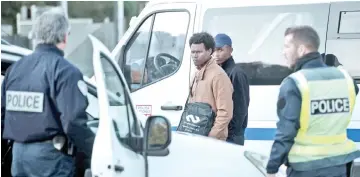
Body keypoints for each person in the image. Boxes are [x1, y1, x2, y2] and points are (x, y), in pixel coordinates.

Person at [1, 8, 95, 177]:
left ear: (36, 35)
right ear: (65, 37)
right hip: (50, 160)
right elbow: (73, 122)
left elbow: (2, 116)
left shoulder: (14, 70)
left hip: (18, 157)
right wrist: (95, 148)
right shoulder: (66, 72)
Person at [266, 25, 360, 177]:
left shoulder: (295, 82)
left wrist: (272, 168)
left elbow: (286, 132)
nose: (283, 52)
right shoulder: (345, 78)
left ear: (302, 49)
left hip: (307, 167)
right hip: (339, 164)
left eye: (287, 46)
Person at [188, 32, 234, 140]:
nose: (195, 55)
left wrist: (211, 138)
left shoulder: (218, 75)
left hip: (210, 142)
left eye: (199, 52)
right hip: (197, 135)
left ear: (209, 51)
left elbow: (225, 113)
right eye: (193, 52)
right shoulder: (197, 73)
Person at [213, 33, 250, 145]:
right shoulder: (220, 72)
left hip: (232, 136)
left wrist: (230, 133)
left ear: (230, 50)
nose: (216, 54)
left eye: (220, 50)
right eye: (214, 51)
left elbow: (241, 108)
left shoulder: (236, 73)